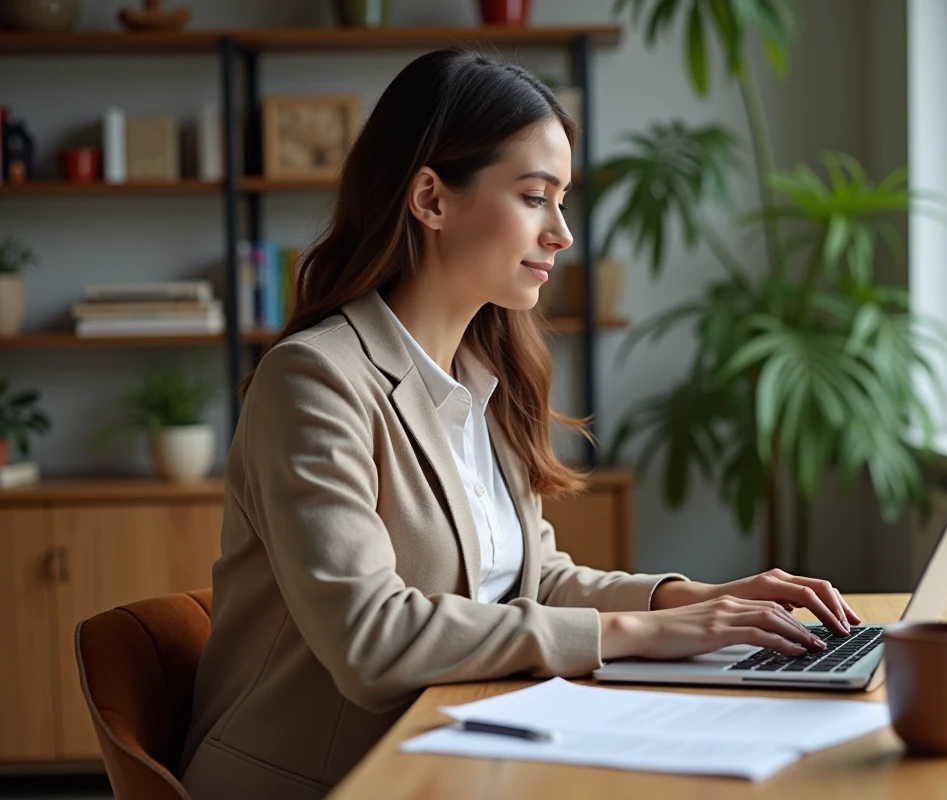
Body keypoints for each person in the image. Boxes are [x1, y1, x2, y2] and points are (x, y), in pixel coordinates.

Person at [178, 49, 861, 800]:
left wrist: (692, 599)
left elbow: (535, 582)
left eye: (563, 200)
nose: (563, 233)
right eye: (536, 197)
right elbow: (368, 638)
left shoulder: (485, 376)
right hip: (326, 780)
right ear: (432, 199)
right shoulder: (315, 381)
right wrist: (643, 635)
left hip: (454, 747)